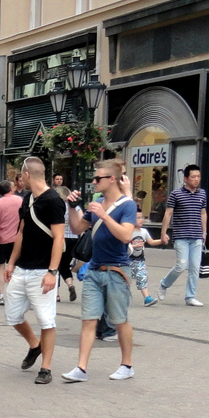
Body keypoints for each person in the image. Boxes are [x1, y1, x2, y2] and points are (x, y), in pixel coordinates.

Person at [61, 160, 139, 383]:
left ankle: (127, 365)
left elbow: (126, 236)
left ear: (112, 179)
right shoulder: (96, 202)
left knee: (119, 319)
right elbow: (77, 228)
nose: (93, 182)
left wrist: (104, 216)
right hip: (94, 269)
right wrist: (71, 206)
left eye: (98, 179)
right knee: (88, 320)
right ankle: (81, 368)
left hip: (117, 271)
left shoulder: (127, 205)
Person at [3, 156, 65, 384]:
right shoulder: (27, 198)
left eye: (20, 175)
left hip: (42, 271)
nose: (20, 179)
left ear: (27, 175)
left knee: (46, 321)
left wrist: (52, 271)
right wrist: (11, 262)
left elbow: (59, 237)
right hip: (22, 269)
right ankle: (34, 345)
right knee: (13, 315)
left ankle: (46, 369)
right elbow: (21, 232)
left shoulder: (54, 200)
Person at [157, 164, 208, 306]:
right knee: (181, 265)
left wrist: (204, 232)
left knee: (195, 267)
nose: (196, 179)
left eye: (198, 176)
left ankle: (190, 296)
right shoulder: (176, 194)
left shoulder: (202, 194)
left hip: (197, 235)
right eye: (193, 177)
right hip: (181, 235)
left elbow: (203, 213)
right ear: (186, 179)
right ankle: (164, 284)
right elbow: (168, 213)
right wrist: (163, 232)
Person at [0, 179, 22, 305]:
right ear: (11, 189)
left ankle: (1, 295)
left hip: (1, 240)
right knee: (17, 268)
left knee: (0, 267)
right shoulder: (20, 201)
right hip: (17, 240)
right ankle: (16, 296)